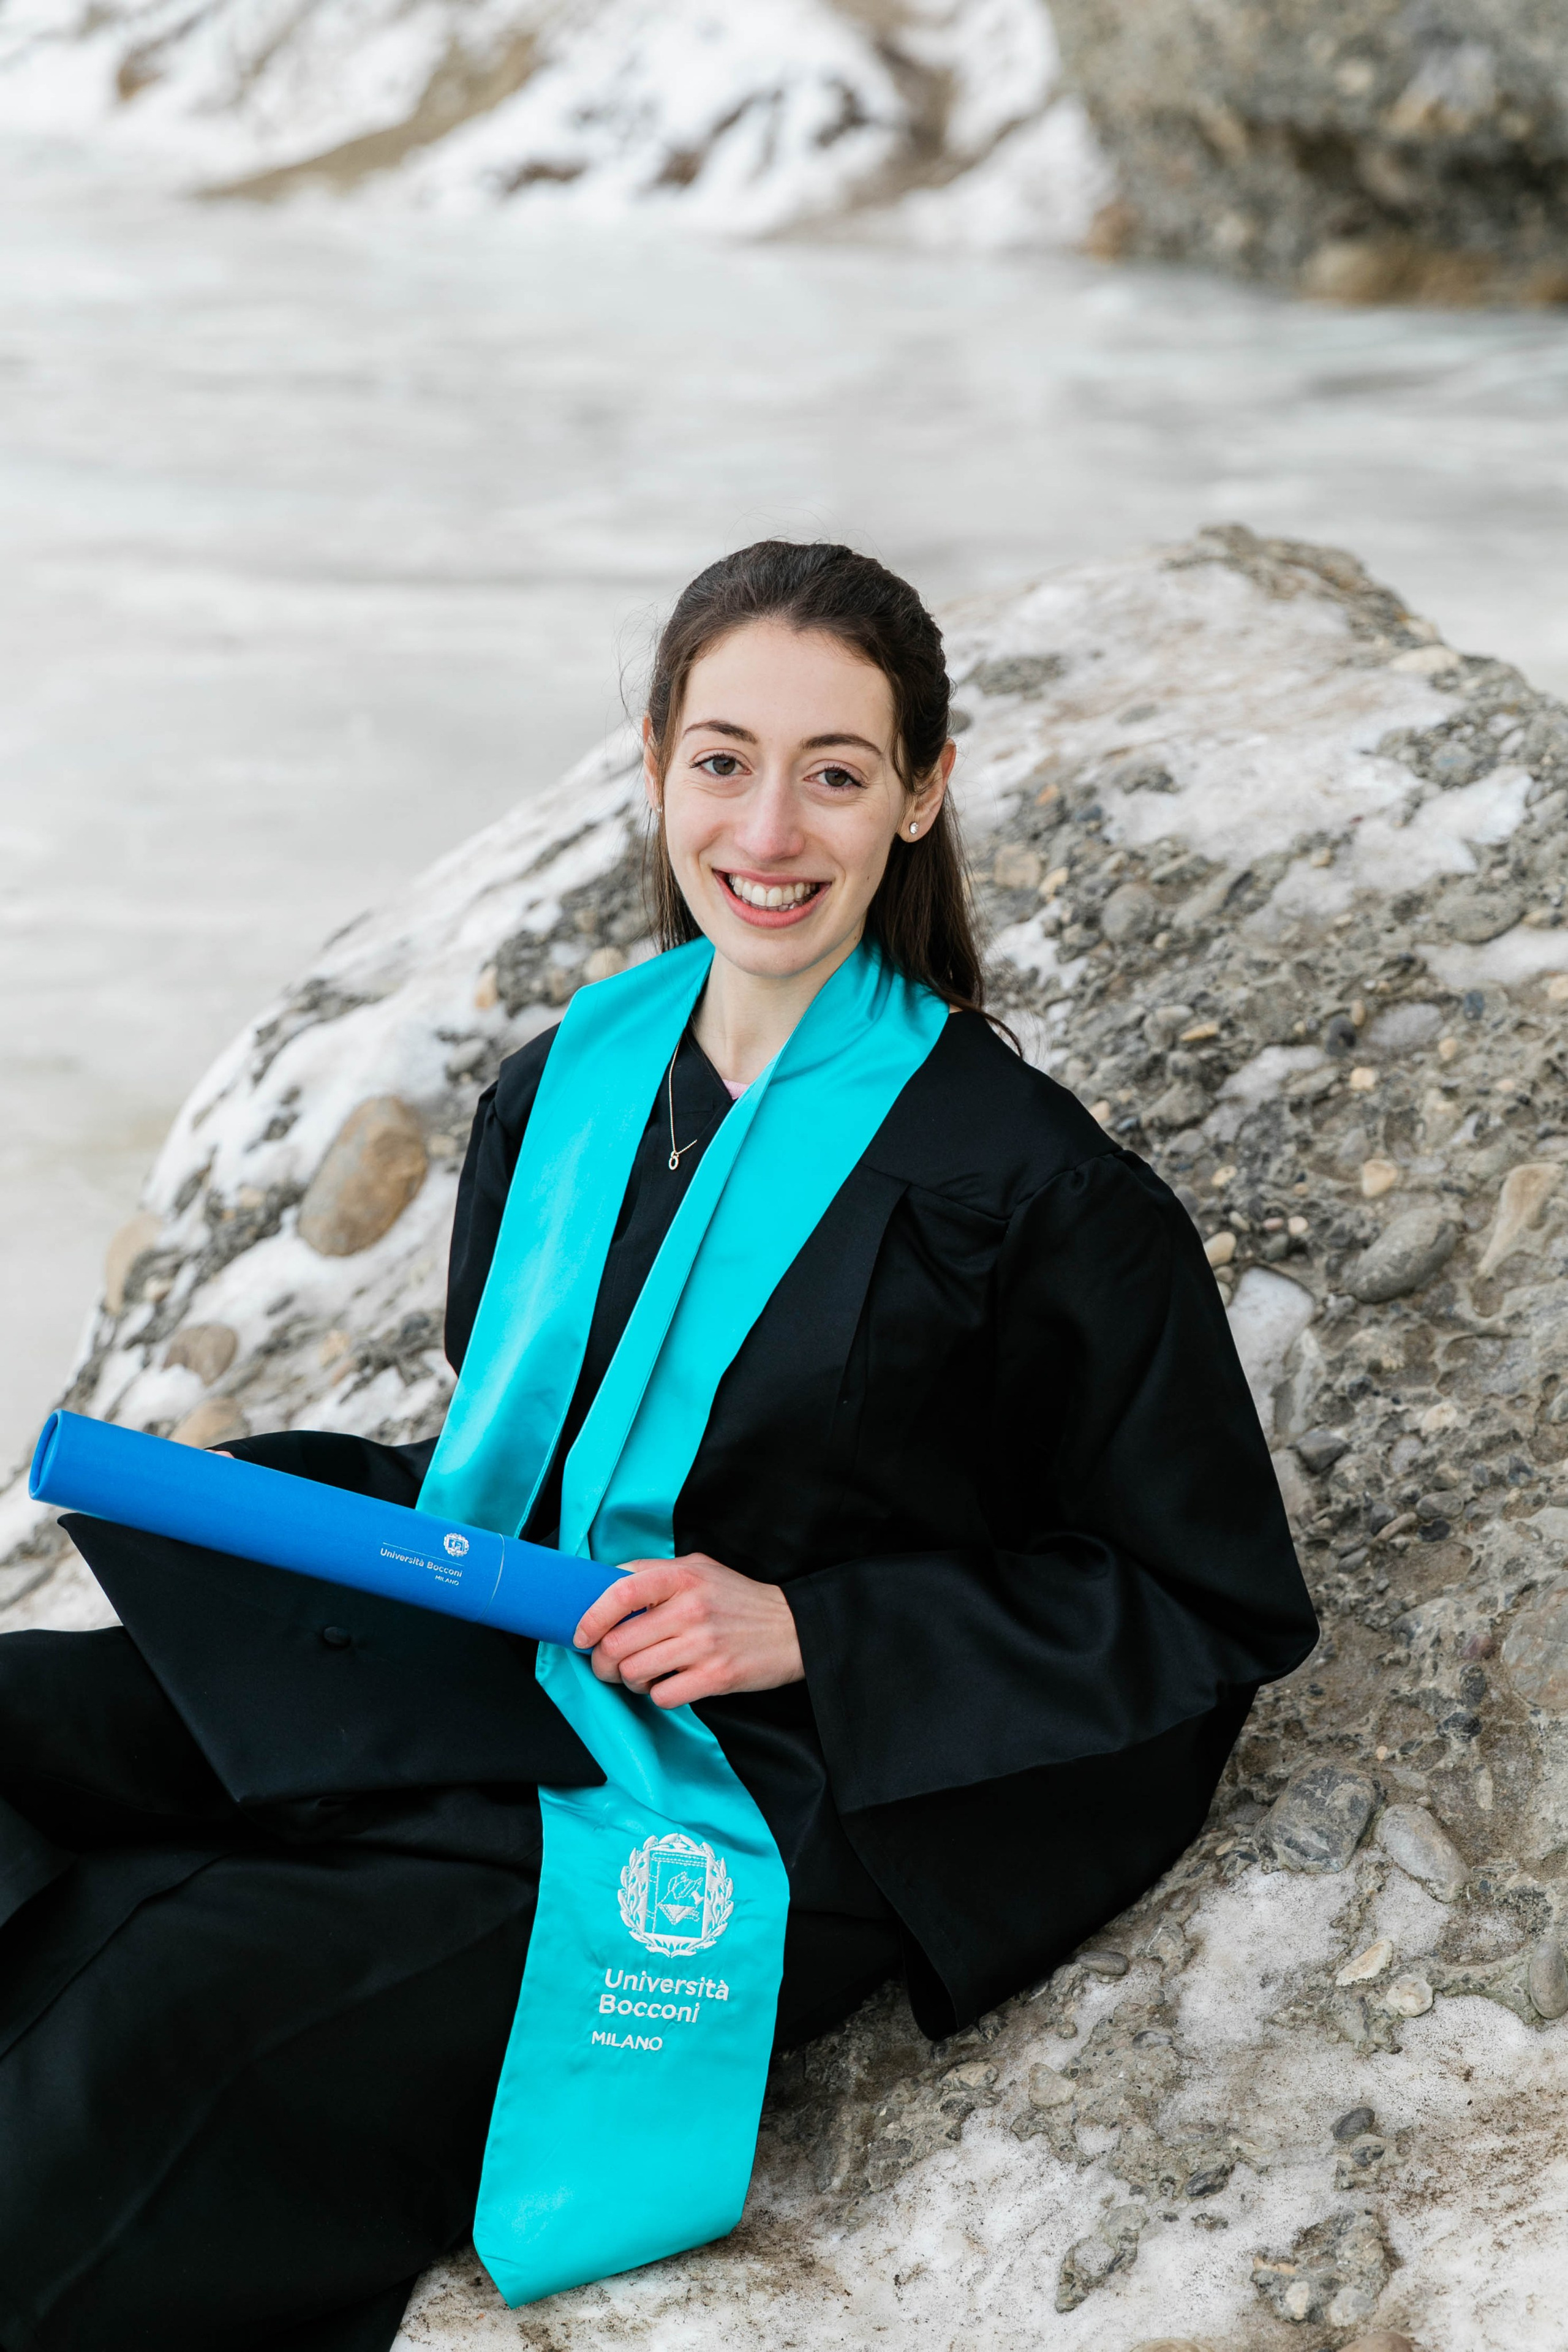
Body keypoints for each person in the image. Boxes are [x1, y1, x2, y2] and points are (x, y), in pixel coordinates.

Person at [0, 541, 1316, 2350]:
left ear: (922, 795)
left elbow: (1206, 1603)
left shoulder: (1029, 1193)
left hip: (748, 1768)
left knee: (177, 1999)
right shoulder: (573, 1078)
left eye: (837, 772)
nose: (769, 828)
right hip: (491, 1646)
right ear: (654, 766)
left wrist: (816, 1632)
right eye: (724, 759)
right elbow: (511, 1424)